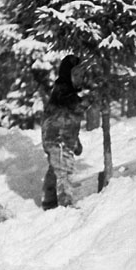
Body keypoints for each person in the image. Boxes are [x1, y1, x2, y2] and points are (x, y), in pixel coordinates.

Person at [41, 54, 87, 209]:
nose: (80, 78)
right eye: (76, 75)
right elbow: (74, 106)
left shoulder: (66, 92)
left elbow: (70, 120)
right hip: (57, 138)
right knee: (64, 170)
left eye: (82, 75)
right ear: (67, 75)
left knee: (56, 168)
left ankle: (49, 199)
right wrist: (92, 97)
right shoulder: (63, 90)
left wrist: (76, 141)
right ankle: (65, 204)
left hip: (60, 138)